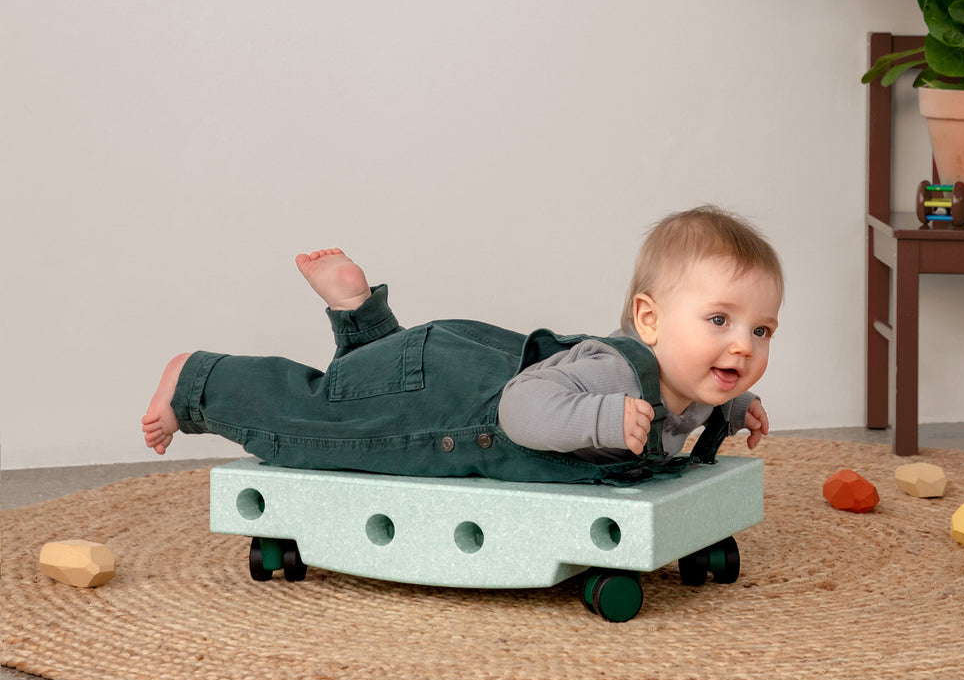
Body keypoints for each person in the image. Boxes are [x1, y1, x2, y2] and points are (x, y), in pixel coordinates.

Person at [141, 206, 782, 485]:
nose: (742, 348)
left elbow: (677, 417)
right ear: (648, 320)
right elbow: (520, 411)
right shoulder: (616, 377)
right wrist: (599, 418)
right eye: (719, 321)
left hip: (448, 367)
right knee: (324, 419)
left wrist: (728, 407)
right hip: (447, 392)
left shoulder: (683, 380)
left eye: (759, 331)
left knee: (371, 393)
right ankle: (198, 380)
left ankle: (359, 315)